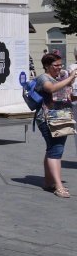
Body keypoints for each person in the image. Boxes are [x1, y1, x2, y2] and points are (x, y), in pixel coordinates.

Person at [35, 53, 77, 198]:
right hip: (48, 119)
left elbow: (67, 93)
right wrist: (70, 78)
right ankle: (58, 186)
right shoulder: (43, 78)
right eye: (56, 65)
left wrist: (70, 81)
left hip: (61, 118)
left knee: (52, 149)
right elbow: (51, 89)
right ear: (47, 66)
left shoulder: (60, 77)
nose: (59, 68)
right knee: (56, 151)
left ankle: (48, 182)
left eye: (60, 65)